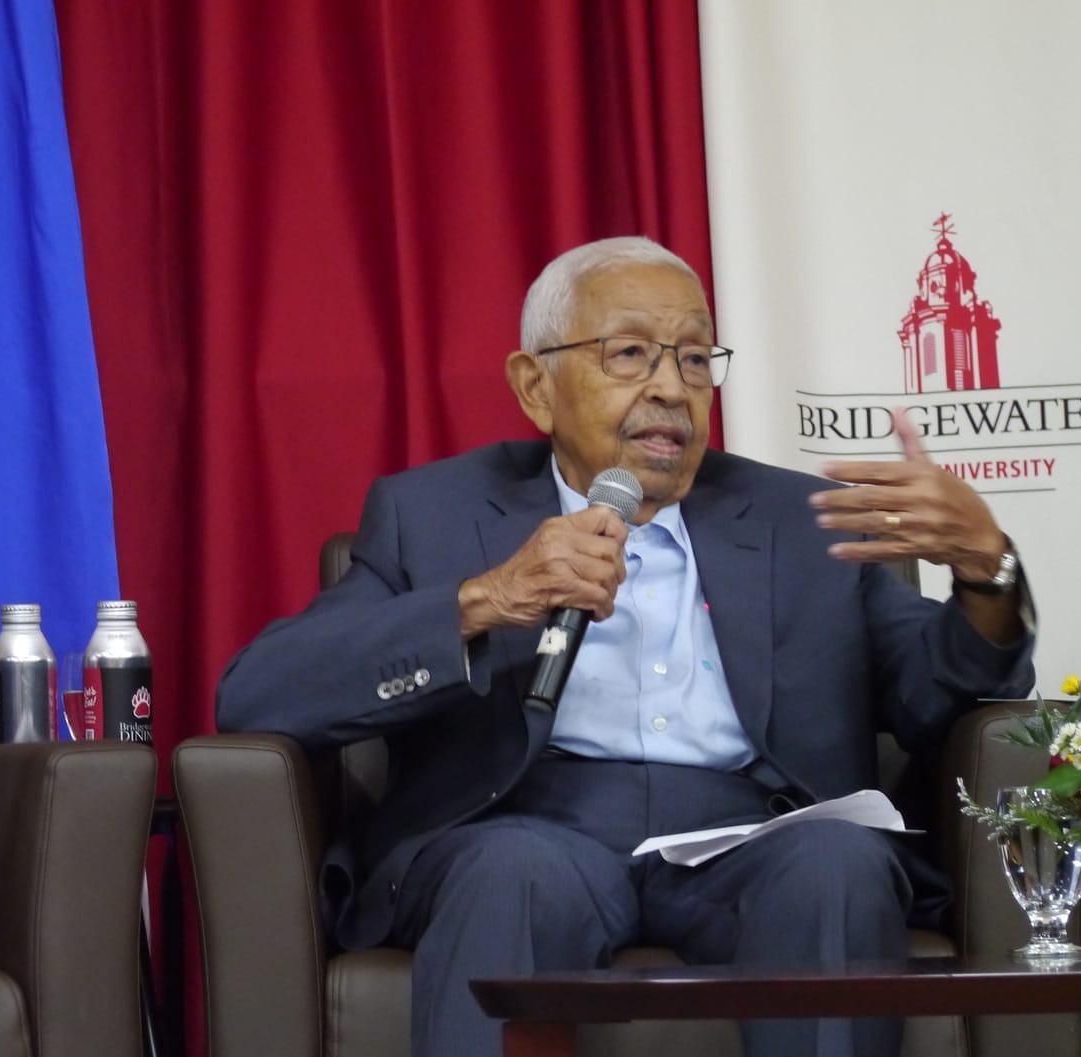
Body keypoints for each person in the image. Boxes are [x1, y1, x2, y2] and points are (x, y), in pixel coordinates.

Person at [215, 236, 1033, 1057]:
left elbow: (939, 693)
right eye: (631, 353)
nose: (671, 388)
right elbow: (259, 692)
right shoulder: (433, 514)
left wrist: (988, 570)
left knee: (837, 864)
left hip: (752, 835)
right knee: (510, 874)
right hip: (527, 828)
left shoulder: (803, 520)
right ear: (536, 386)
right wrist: (488, 598)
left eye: (693, 357)